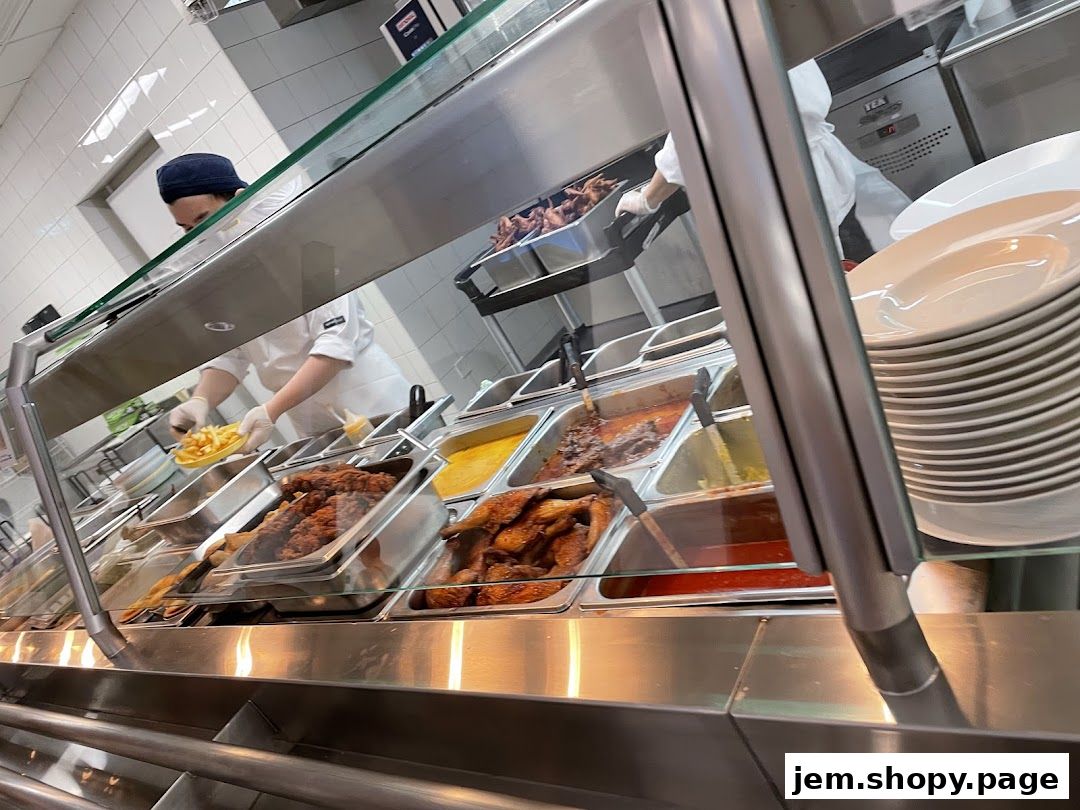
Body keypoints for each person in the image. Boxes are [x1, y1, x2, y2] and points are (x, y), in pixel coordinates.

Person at [160, 153, 410, 451]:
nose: (200, 236)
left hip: (367, 399)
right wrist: (201, 399)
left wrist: (272, 409)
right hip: (306, 417)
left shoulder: (306, 245)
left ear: (239, 200)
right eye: (188, 228)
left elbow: (335, 344)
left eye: (203, 219)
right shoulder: (220, 277)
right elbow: (231, 354)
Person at [616, 60, 910, 262]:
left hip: (794, 189)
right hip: (823, 172)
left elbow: (690, 140)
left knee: (845, 289)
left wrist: (647, 200)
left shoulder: (709, 30)